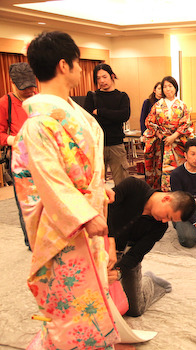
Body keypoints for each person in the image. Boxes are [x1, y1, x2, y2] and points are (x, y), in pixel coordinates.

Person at [11, 31, 119, 349]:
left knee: (91, 299)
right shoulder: (38, 124)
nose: (80, 69)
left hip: (84, 217)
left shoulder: (72, 113)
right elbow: (49, 179)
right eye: (76, 62)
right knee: (71, 307)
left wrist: (98, 190)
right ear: (63, 65)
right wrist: (84, 214)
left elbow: (79, 170)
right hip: (66, 226)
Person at [108, 176, 195, 316]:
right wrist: (110, 240)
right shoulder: (133, 186)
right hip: (102, 242)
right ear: (166, 199)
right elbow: (106, 207)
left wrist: (118, 271)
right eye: (167, 215)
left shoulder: (160, 227)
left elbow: (137, 253)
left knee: (134, 310)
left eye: (170, 220)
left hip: (126, 256)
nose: (165, 220)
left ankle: (154, 283)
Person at [0, 62, 37, 249]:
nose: (29, 92)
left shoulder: (39, 100)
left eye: (32, 87)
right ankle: (31, 242)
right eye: (25, 89)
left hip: (41, 158)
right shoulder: (5, 103)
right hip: (20, 161)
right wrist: (12, 140)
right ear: (13, 83)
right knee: (25, 203)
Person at [143, 75, 193, 191]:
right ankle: (160, 192)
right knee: (160, 168)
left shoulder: (182, 105)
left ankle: (179, 191)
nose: (167, 89)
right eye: (165, 87)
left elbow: (186, 123)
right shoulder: (157, 105)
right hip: (162, 142)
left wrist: (174, 136)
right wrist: (160, 135)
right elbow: (150, 121)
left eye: (170, 86)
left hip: (177, 141)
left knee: (178, 169)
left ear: (175, 88)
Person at [84, 63, 131, 185]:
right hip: (97, 144)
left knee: (122, 182)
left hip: (116, 144)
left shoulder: (122, 96)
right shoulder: (92, 96)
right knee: (96, 183)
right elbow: (88, 119)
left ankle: (122, 204)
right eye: (98, 78)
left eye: (104, 77)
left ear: (112, 76)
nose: (102, 81)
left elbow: (124, 116)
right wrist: (113, 117)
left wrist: (100, 112)